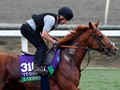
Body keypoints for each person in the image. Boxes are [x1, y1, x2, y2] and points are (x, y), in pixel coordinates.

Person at [20, 6, 74, 74]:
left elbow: (43, 32)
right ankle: (36, 67)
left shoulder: (56, 22)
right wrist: (54, 42)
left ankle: (41, 66)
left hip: (32, 30)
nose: (65, 22)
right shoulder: (51, 20)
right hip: (27, 29)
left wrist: (51, 37)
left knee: (45, 48)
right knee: (41, 47)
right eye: (66, 20)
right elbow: (43, 35)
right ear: (61, 16)